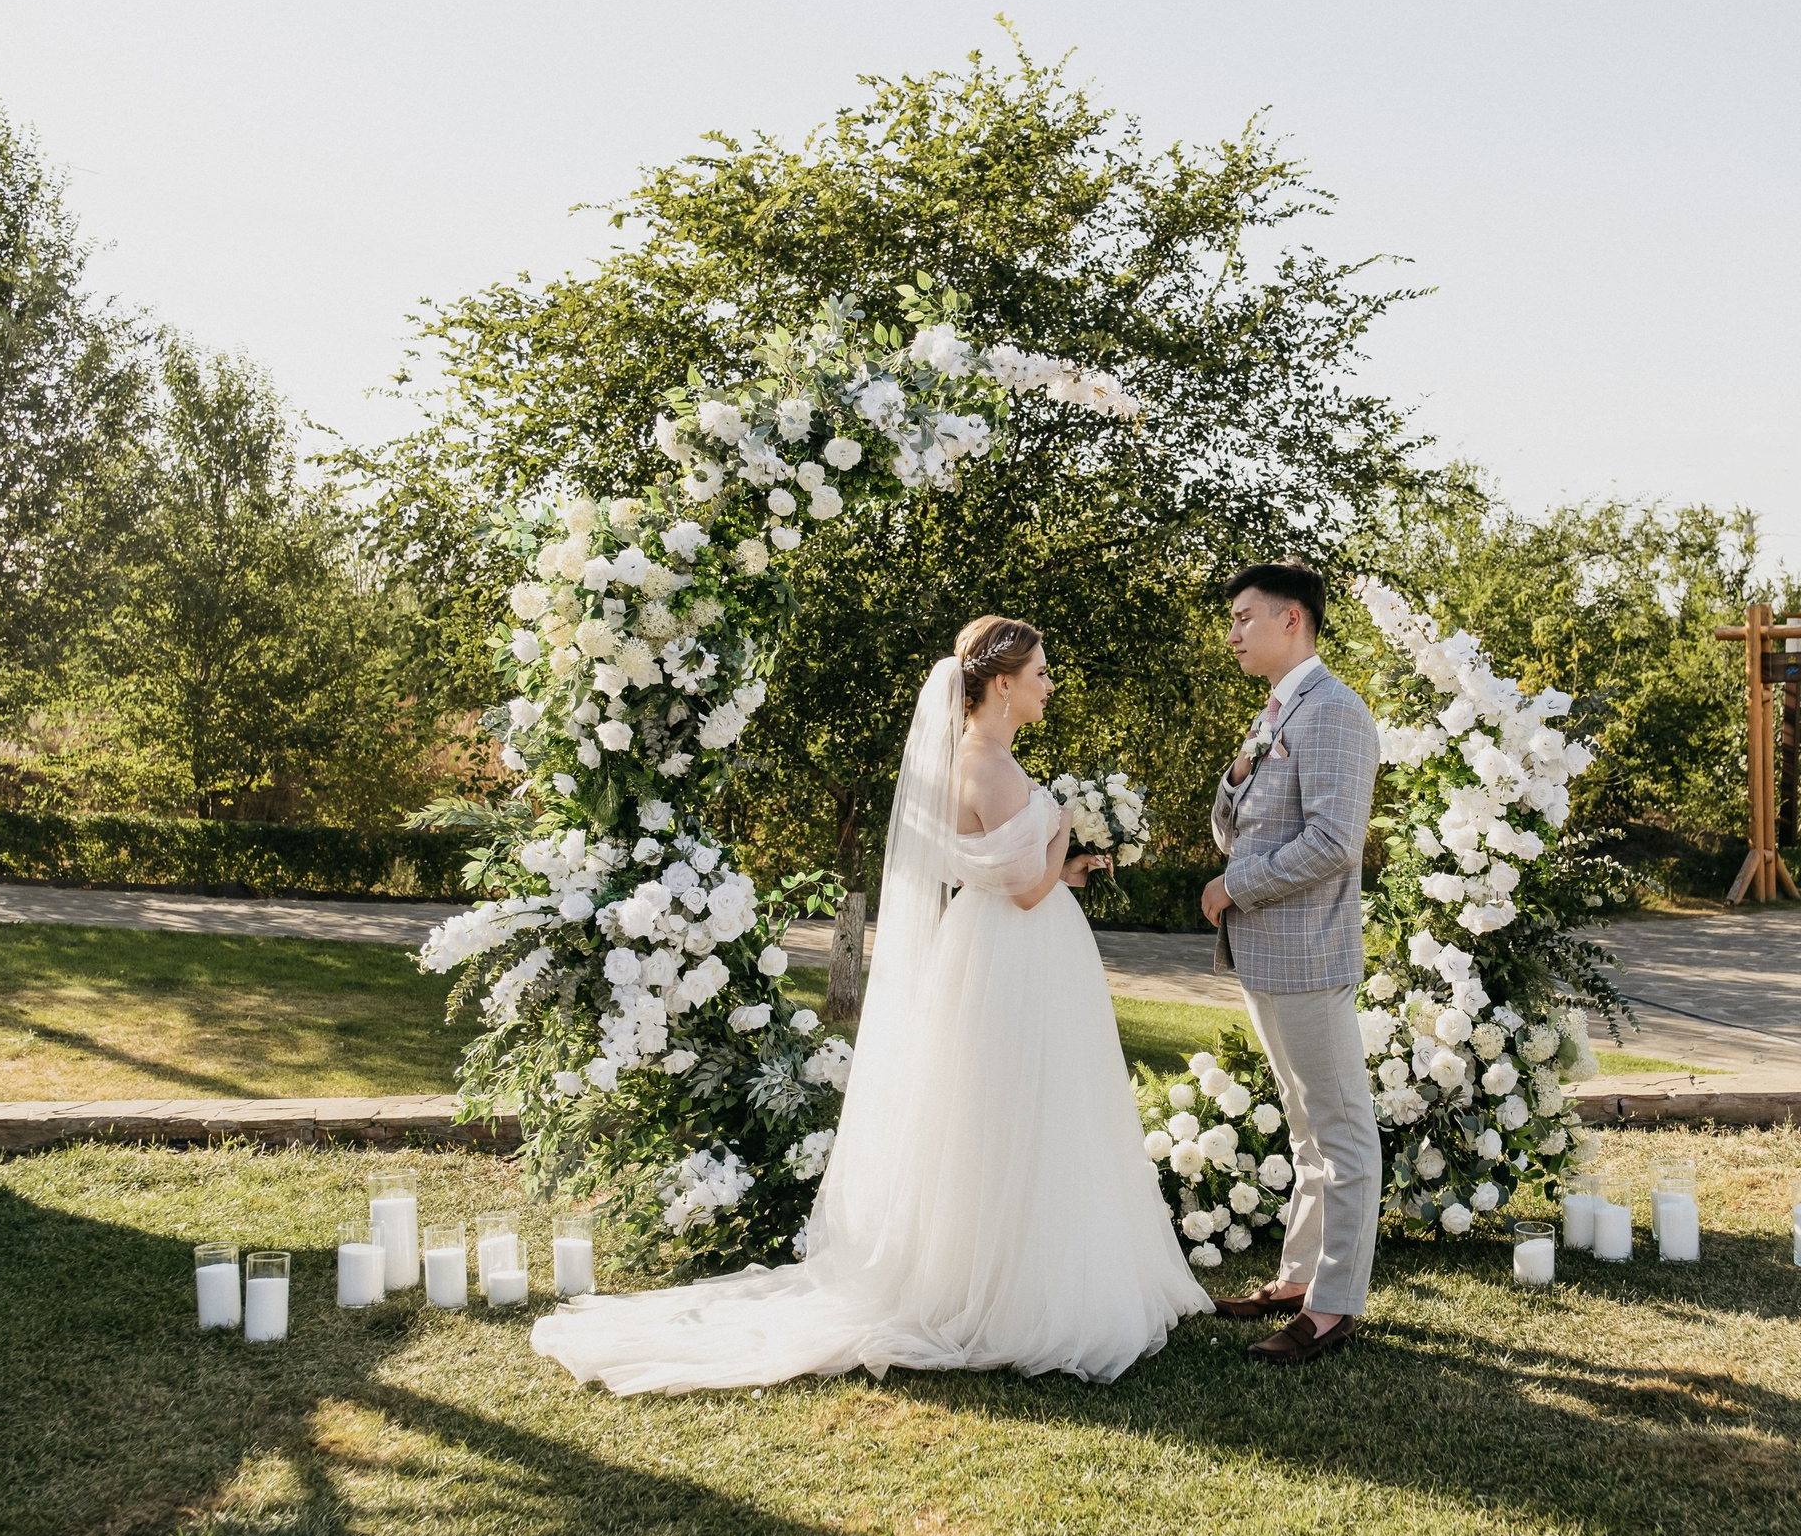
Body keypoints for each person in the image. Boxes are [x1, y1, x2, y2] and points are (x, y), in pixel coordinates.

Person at [531, 616, 1210, 1394]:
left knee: (1030, 1104)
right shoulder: (984, 761)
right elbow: (1023, 887)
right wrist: (1061, 826)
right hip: (1009, 950)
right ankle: (1013, 1288)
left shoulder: (992, 758)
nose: (1049, 684)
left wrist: (1067, 855)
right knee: (1015, 1104)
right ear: (1001, 682)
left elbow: (1014, 873)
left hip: (1012, 947)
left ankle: (1030, 1256)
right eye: (1042, 672)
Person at [1201, 562, 1381, 1365]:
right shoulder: (1276, 711)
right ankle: (1298, 1278)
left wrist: (1236, 886)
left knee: (1341, 1132)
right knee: (1306, 1128)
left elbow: (1336, 843)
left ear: (1292, 621)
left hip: (1308, 952)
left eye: (1244, 617)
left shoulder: (1335, 711)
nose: (1233, 632)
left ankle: (1335, 1305)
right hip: (1266, 955)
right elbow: (1233, 822)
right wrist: (1235, 775)